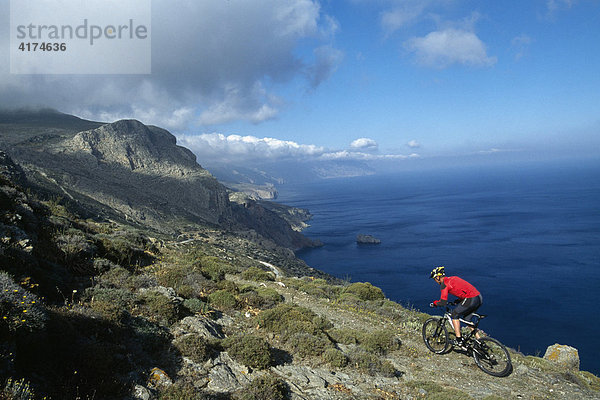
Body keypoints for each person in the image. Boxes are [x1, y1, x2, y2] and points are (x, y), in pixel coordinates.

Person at [429, 266, 483, 347]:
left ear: (438, 277)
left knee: (454, 315)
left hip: (471, 299)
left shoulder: (444, 285)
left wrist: (435, 303)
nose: (435, 281)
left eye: (434, 279)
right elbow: (463, 289)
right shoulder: (453, 278)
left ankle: (459, 340)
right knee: (467, 319)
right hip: (479, 297)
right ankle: (480, 340)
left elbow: (443, 302)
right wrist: (458, 301)